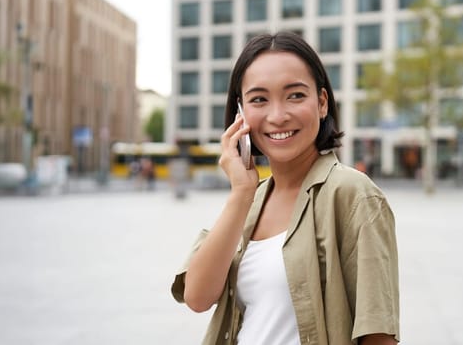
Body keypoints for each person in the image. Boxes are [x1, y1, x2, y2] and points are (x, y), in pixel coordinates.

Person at [171, 32, 400, 345]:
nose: (277, 116)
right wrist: (240, 193)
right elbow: (197, 297)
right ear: (240, 114)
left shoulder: (353, 195)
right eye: (259, 99)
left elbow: (379, 333)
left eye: (295, 96)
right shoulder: (251, 200)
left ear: (321, 103)